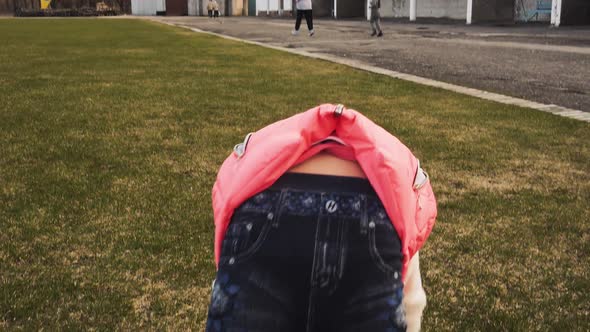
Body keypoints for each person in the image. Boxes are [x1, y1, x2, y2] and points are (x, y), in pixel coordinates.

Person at [206, 104, 437, 332]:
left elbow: (232, 270)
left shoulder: (271, 142)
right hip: (376, 205)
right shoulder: (389, 161)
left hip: (265, 198)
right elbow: (411, 303)